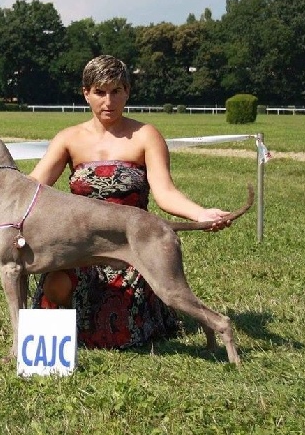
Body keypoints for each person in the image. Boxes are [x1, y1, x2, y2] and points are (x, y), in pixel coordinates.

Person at [29, 55, 232, 349]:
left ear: (128, 92)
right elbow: (33, 188)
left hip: (132, 245)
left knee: (119, 331)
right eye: (100, 92)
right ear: (86, 93)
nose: (108, 101)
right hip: (82, 244)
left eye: (116, 91)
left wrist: (201, 214)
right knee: (55, 286)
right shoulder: (68, 138)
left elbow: (165, 193)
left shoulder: (145, 136)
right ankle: (55, 337)